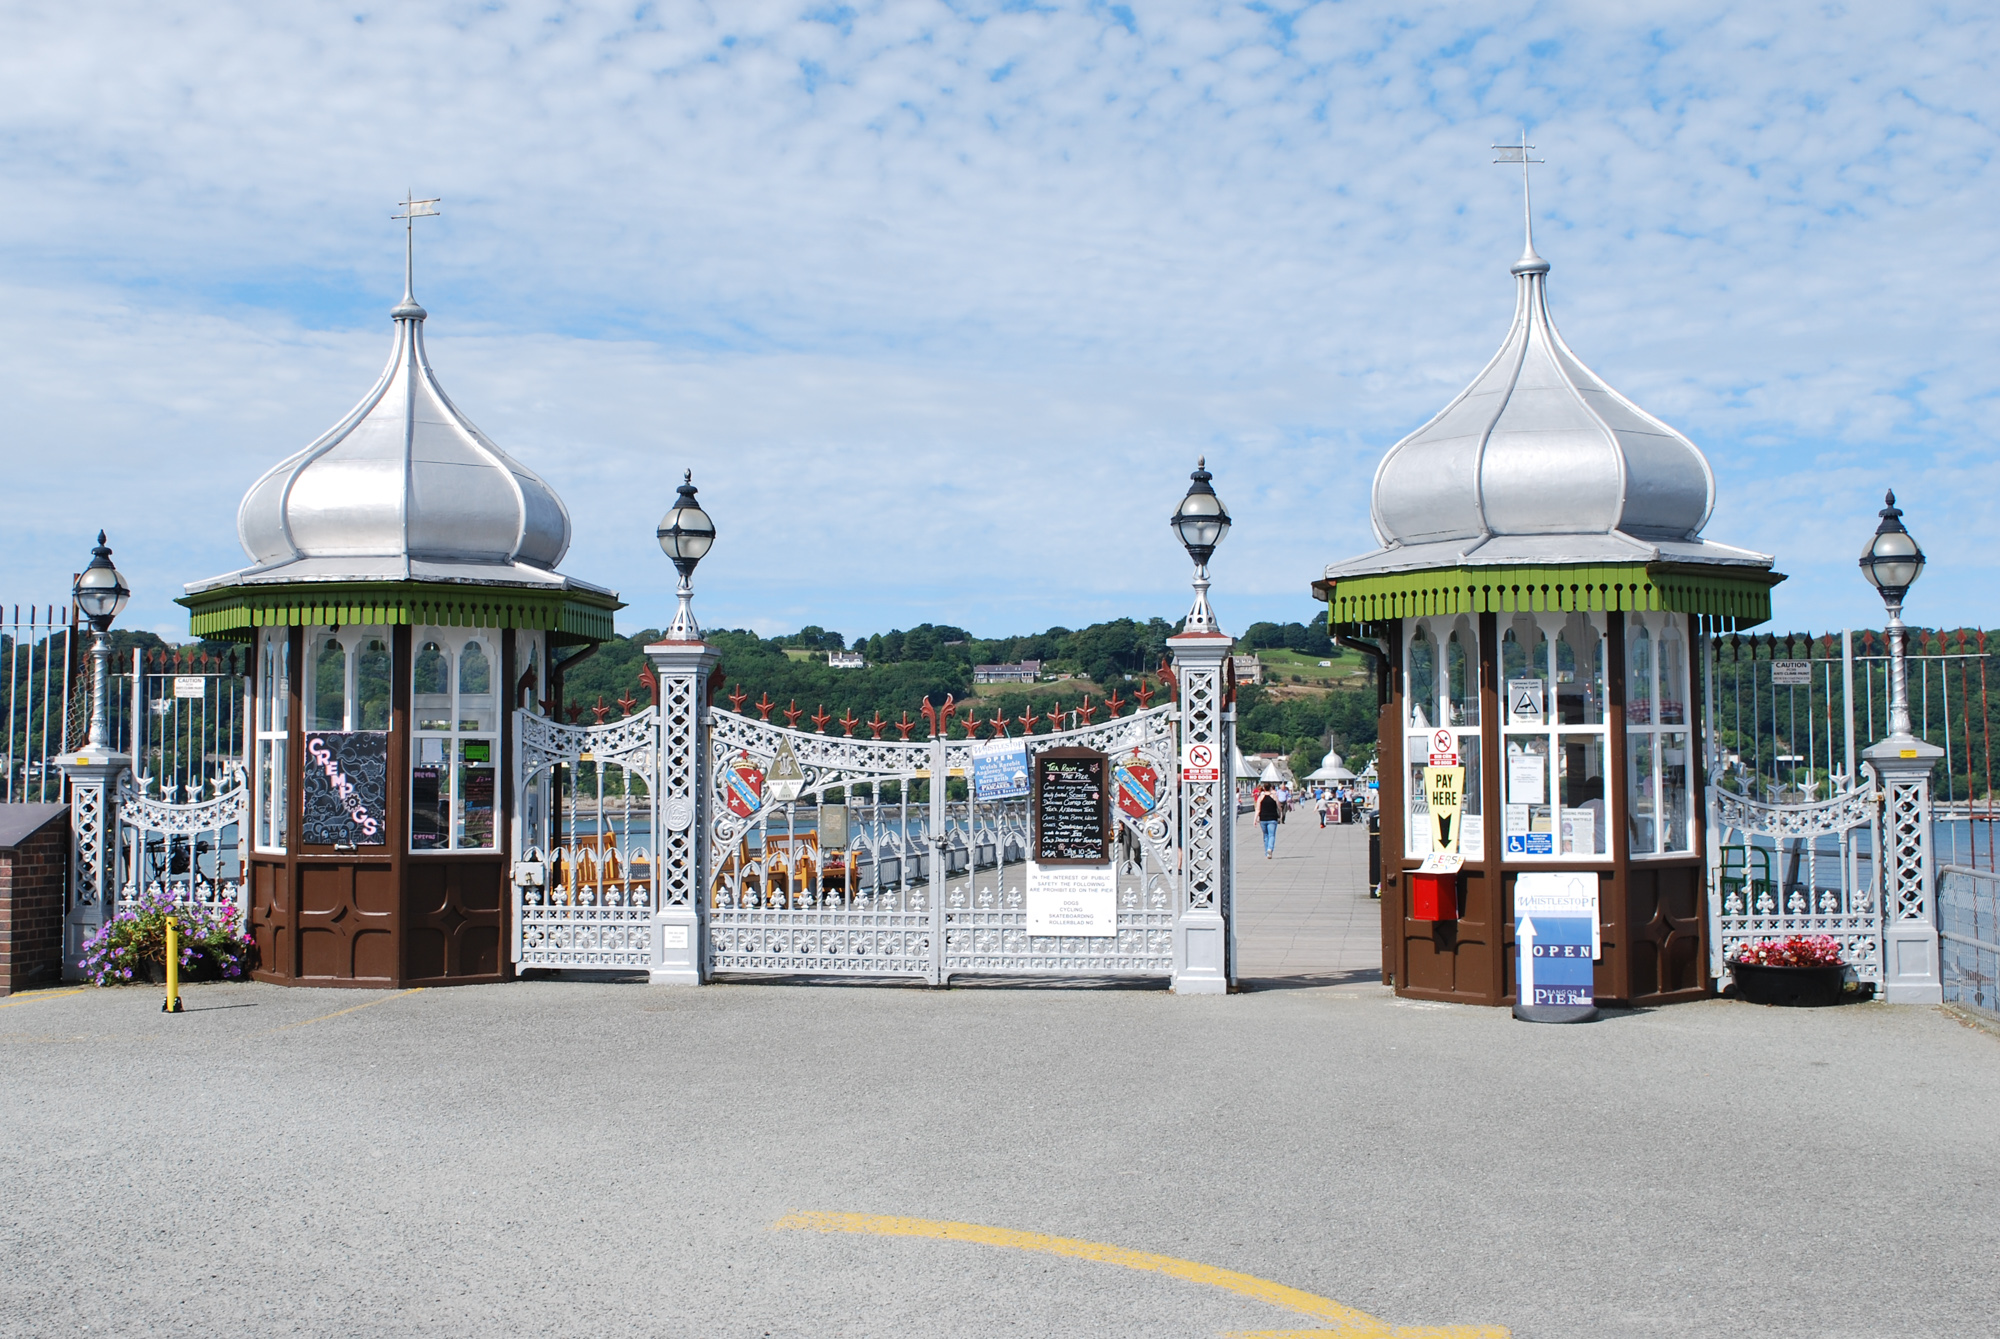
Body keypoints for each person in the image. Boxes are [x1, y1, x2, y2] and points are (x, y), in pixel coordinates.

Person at [1257, 785, 1282, 858]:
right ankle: (1270, 848)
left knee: (1265, 836)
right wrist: (1280, 815)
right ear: (1270, 788)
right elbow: (1279, 807)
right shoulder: (1274, 796)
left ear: (1264, 788)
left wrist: (1255, 819)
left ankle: (1266, 853)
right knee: (1272, 835)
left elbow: (1258, 809)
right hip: (1272, 818)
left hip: (1263, 818)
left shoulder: (1261, 797)